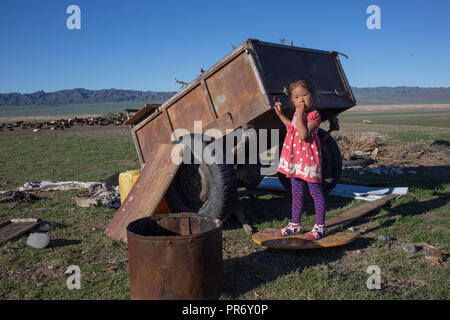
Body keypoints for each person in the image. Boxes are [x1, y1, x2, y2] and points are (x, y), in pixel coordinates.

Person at [274, 78, 327, 240]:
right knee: (296, 194)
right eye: (296, 97)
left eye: (304, 95)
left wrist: (300, 113)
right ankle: (296, 224)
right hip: (296, 161)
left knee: (315, 193)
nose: (301, 99)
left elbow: (303, 135)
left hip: (309, 162)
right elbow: (292, 129)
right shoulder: (298, 115)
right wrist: (281, 115)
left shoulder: (313, 115)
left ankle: (320, 226)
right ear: (291, 100)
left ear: (312, 95)